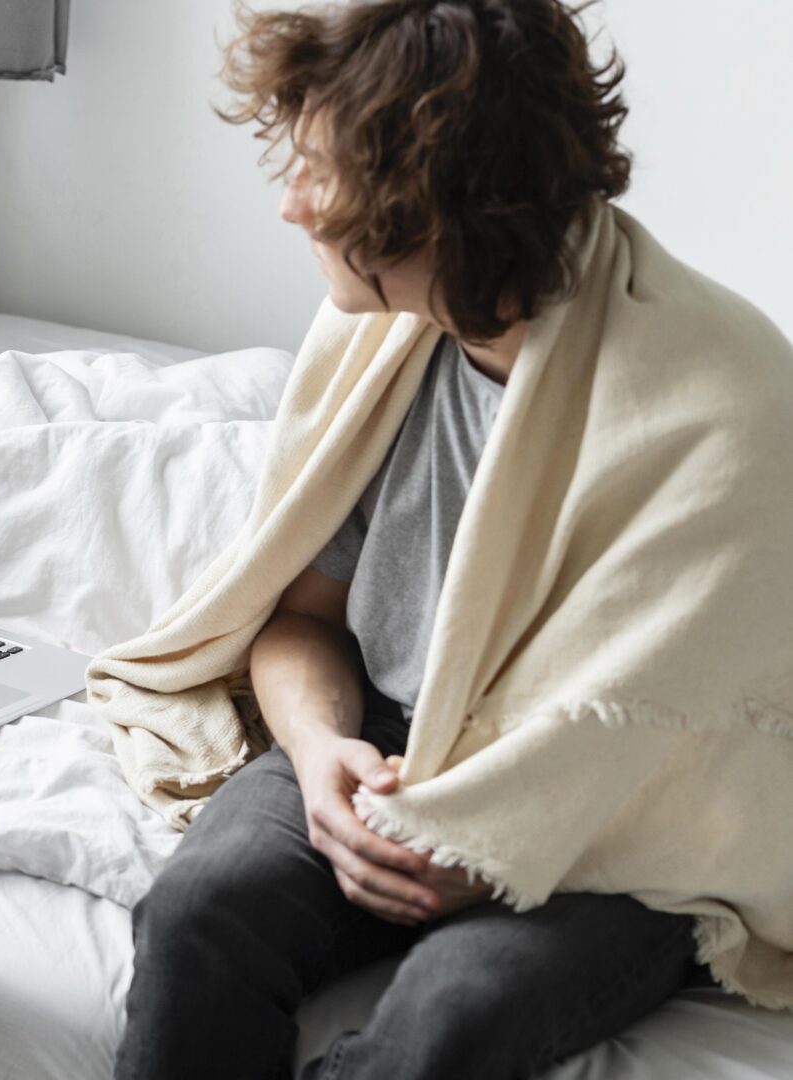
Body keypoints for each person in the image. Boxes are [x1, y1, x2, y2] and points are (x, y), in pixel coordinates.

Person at [107, 2, 793, 1077]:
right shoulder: (375, 348)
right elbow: (299, 620)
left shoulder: (724, 403)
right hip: (384, 745)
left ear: (438, 210)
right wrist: (323, 755)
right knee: (197, 917)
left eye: (322, 177)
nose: (290, 207)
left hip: (606, 822)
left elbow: (688, 758)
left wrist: (493, 843)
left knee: (452, 1014)